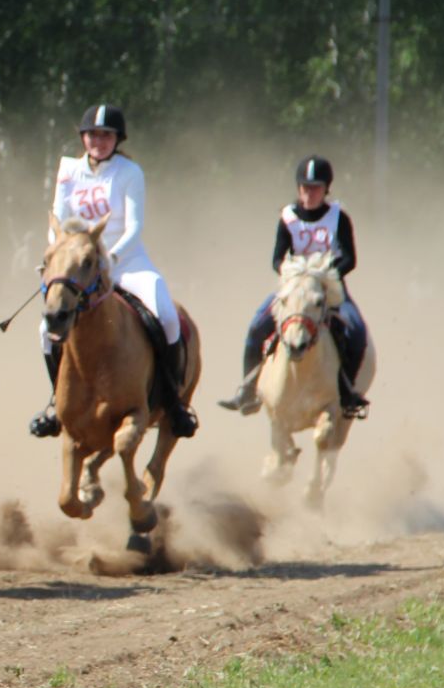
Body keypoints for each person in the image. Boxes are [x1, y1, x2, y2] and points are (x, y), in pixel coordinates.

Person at [26, 105, 198, 439]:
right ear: (83, 137)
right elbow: (57, 224)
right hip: (77, 269)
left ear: (117, 139)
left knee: (166, 314)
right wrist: (60, 257)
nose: (99, 141)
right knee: (45, 330)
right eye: (93, 134)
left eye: (107, 135)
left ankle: (173, 402)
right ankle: (56, 404)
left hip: (125, 261)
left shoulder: (129, 172)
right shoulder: (68, 171)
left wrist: (110, 259)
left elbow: (134, 226)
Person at [216, 155, 369, 417]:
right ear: (298, 188)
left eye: (316, 188)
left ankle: (347, 394)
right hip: (294, 286)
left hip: (328, 289)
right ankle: (248, 389)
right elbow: (277, 257)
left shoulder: (338, 218)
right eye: (305, 188)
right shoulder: (288, 217)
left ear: (326, 189)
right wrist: (291, 273)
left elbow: (349, 258)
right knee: (256, 327)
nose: (309, 194)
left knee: (356, 331)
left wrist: (326, 273)